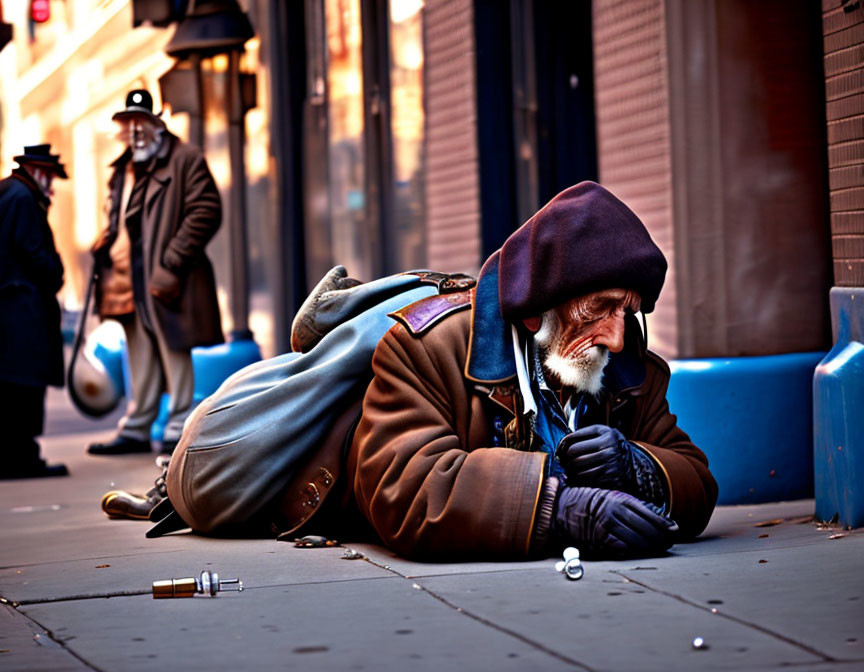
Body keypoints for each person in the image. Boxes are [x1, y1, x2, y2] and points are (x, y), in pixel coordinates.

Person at [348, 182, 718, 560]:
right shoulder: (426, 349)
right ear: (535, 311)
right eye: (601, 308)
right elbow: (403, 491)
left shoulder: (629, 368)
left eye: (626, 312)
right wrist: (557, 509)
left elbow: (698, 484)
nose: (618, 340)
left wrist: (638, 468)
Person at [88, 89, 223, 456]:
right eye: (128, 123)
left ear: (156, 125)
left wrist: (172, 261)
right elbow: (118, 217)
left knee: (173, 345)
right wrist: (106, 243)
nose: (135, 131)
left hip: (164, 276)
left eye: (141, 123)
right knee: (139, 352)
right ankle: (136, 426)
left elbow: (206, 210)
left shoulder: (185, 159)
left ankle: (178, 425)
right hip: (126, 278)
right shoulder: (122, 169)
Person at [0, 144, 68, 478]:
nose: (52, 185)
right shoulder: (22, 198)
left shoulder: (10, 192)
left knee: (12, 387)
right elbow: (31, 251)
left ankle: (17, 456)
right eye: (51, 176)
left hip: (12, 309)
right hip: (19, 310)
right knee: (22, 387)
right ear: (38, 172)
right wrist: (55, 273)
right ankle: (21, 459)